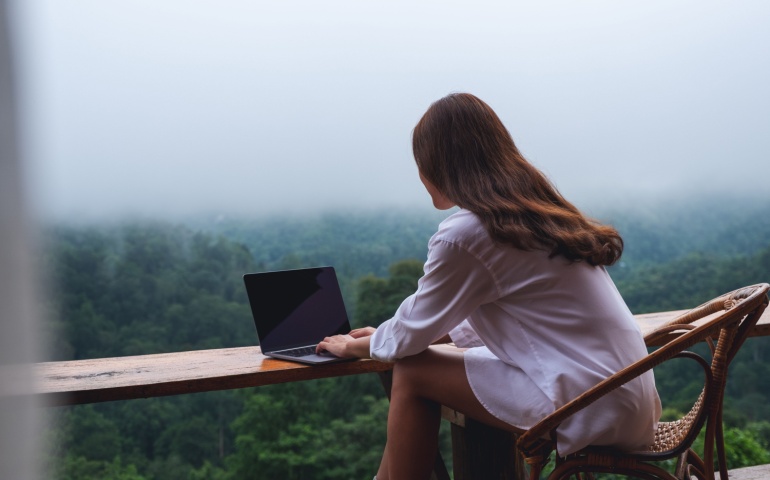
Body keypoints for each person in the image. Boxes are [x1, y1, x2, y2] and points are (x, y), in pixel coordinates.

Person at [317, 93, 661, 480]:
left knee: (412, 370)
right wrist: (383, 336)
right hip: (626, 397)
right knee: (425, 362)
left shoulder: (468, 233)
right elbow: (485, 318)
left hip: (588, 404)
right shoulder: (533, 215)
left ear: (438, 164)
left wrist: (354, 345)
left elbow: (412, 334)